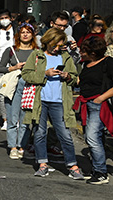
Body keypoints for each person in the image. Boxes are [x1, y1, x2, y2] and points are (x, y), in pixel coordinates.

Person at [22, 27, 84, 179]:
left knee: (65, 134)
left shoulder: (65, 57)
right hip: (40, 101)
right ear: (47, 41)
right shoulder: (37, 55)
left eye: (60, 45)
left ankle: (72, 165)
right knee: (40, 133)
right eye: (54, 45)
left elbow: (75, 78)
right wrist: (44, 74)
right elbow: (26, 74)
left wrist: (67, 76)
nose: (57, 48)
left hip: (59, 101)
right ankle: (42, 164)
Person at [0, 21, 38, 159]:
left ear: (32, 35)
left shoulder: (37, 52)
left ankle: (22, 146)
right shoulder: (11, 50)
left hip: (30, 87)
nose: (25, 35)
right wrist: (14, 67)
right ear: (18, 35)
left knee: (25, 120)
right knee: (12, 119)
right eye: (22, 32)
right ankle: (12, 147)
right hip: (14, 88)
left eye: (28, 32)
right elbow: (0, 68)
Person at [77, 35, 113, 184]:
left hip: (99, 104)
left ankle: (101, 172)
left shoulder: (108, 63)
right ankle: (96, 167)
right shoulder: (86, 64)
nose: (81, 53)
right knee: (93, 137)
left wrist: (101, 98)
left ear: (93, 53)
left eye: (83, 51)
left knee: (92, 137)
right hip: (87, 104)